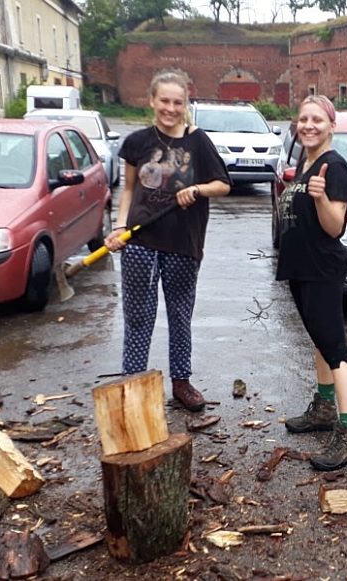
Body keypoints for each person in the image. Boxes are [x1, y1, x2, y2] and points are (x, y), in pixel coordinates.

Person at [105, 69, 231, 412]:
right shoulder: (137, 142)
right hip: (141, 242)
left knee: (179, 314)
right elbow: (128, 189)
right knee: (138, 317)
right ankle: (133, 386)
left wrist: (198, 189)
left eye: (178, 102)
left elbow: (223, 184)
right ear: (152, 101)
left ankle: (181, 382)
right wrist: (118, 227)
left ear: (185, 104)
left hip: (183, 243)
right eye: (164, 101)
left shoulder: (198, 141)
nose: (171, 108)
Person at [276, 95, 347, 471]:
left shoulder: (335, 167)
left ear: (332, 125)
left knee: (337, 349)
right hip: (302, 268)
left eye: (317, 120)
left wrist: (320, 199)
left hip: (321, 269)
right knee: (320, 342)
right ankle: (325, 408)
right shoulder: (306, 160)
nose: (308, 125)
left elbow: (335, 226)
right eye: (303, 119)